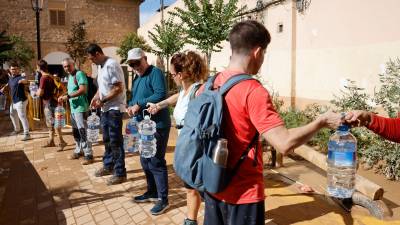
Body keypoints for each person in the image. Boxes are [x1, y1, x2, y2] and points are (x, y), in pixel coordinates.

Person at [196, 20, 343, 225]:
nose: (263, 59)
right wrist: (320, 122)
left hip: (212, 184)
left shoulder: (209, 85)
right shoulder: (252, 90)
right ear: (257, 52)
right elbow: (283, 143)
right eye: (264, 54)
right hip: (243, 193)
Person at [147, 51, 207, 224]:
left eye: (172, 74)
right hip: (186, 142)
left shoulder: (198, 91)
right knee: (191, 185)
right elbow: (177, 98)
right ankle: (193, 219)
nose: (171, 77)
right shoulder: (185, 90)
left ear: (180, 75)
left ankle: (195, 219)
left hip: (195, 146)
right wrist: (159, 105)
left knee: (195, 186)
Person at [126, 48, 171, 215]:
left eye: (137, 62)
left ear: (145, 58)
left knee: (155, 161)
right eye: (131, 64)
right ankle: (152, 192)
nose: (135, 66)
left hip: (157, 125)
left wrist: (139, 103)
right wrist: (131, 106)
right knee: (145, 161)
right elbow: (134, 98)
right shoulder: (137, 79)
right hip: (142, 125)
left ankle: (163, 199)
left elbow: (160, 94)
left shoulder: (155, 73)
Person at [87, 43, 127, 185]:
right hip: (105, 108)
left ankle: (120, 172)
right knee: (107, 139)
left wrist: (102, 100)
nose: (91, 61)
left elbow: (118, 88)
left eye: (92, 58)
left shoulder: (111, 65)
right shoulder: (100, 66)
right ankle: (108, 165)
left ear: (98, 54)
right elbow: (102, 87)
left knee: (115, 140)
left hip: (114, 108)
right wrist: (96, 97)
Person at [58, 58, 93, 165]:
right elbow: (72, 90)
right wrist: (64, 95)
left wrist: (67, 96)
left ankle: (89, 154)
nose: (67, 68)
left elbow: (83, 90)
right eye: (65, 66)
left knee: (83, 131)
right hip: (74, 108)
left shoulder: (79, 74)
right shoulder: (70, 76)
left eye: (69, 66)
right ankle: (79, 150)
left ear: (73, 64)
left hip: (81, 108)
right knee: (76, 131)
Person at [35, 59, 67, 151]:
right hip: (57, 102)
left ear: (38, 67)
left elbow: (40, 92)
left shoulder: (43, 78)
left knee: (53, 124)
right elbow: (63, 89)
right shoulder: (52, 77)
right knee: (55, 124)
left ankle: (61, 142)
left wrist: (35, 93)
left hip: (49, 104)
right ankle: (51, 141)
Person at [0, 62, 30, 140]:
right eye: (13, 69)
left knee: (22, 116)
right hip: (14, 101)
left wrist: (24, 81)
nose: (14, 70)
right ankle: (17, 129)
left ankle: (27, 133)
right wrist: (4, 88)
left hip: (21, 100)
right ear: (10, 70)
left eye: (16, 69)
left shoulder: (20, 77)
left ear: (18, 69)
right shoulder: (11, 78)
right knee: (12, 114)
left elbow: (26, 80)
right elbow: (9, 83)